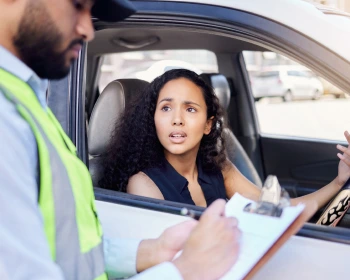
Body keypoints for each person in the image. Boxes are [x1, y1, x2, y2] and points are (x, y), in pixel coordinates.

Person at [0, 1, 241, 280]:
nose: (88, 29)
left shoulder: (24, 99)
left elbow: (65, 250)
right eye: (78, 6)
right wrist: (185, 275)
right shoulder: (7, 118)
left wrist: (150, 251)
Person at [100, 68, 350, 211]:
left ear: (208, 124)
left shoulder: (218, 167)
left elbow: (279, 211)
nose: (176, 119)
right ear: (152, 119)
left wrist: (338, 182)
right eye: (165, 108)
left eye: (190, 109)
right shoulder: (143, 184)